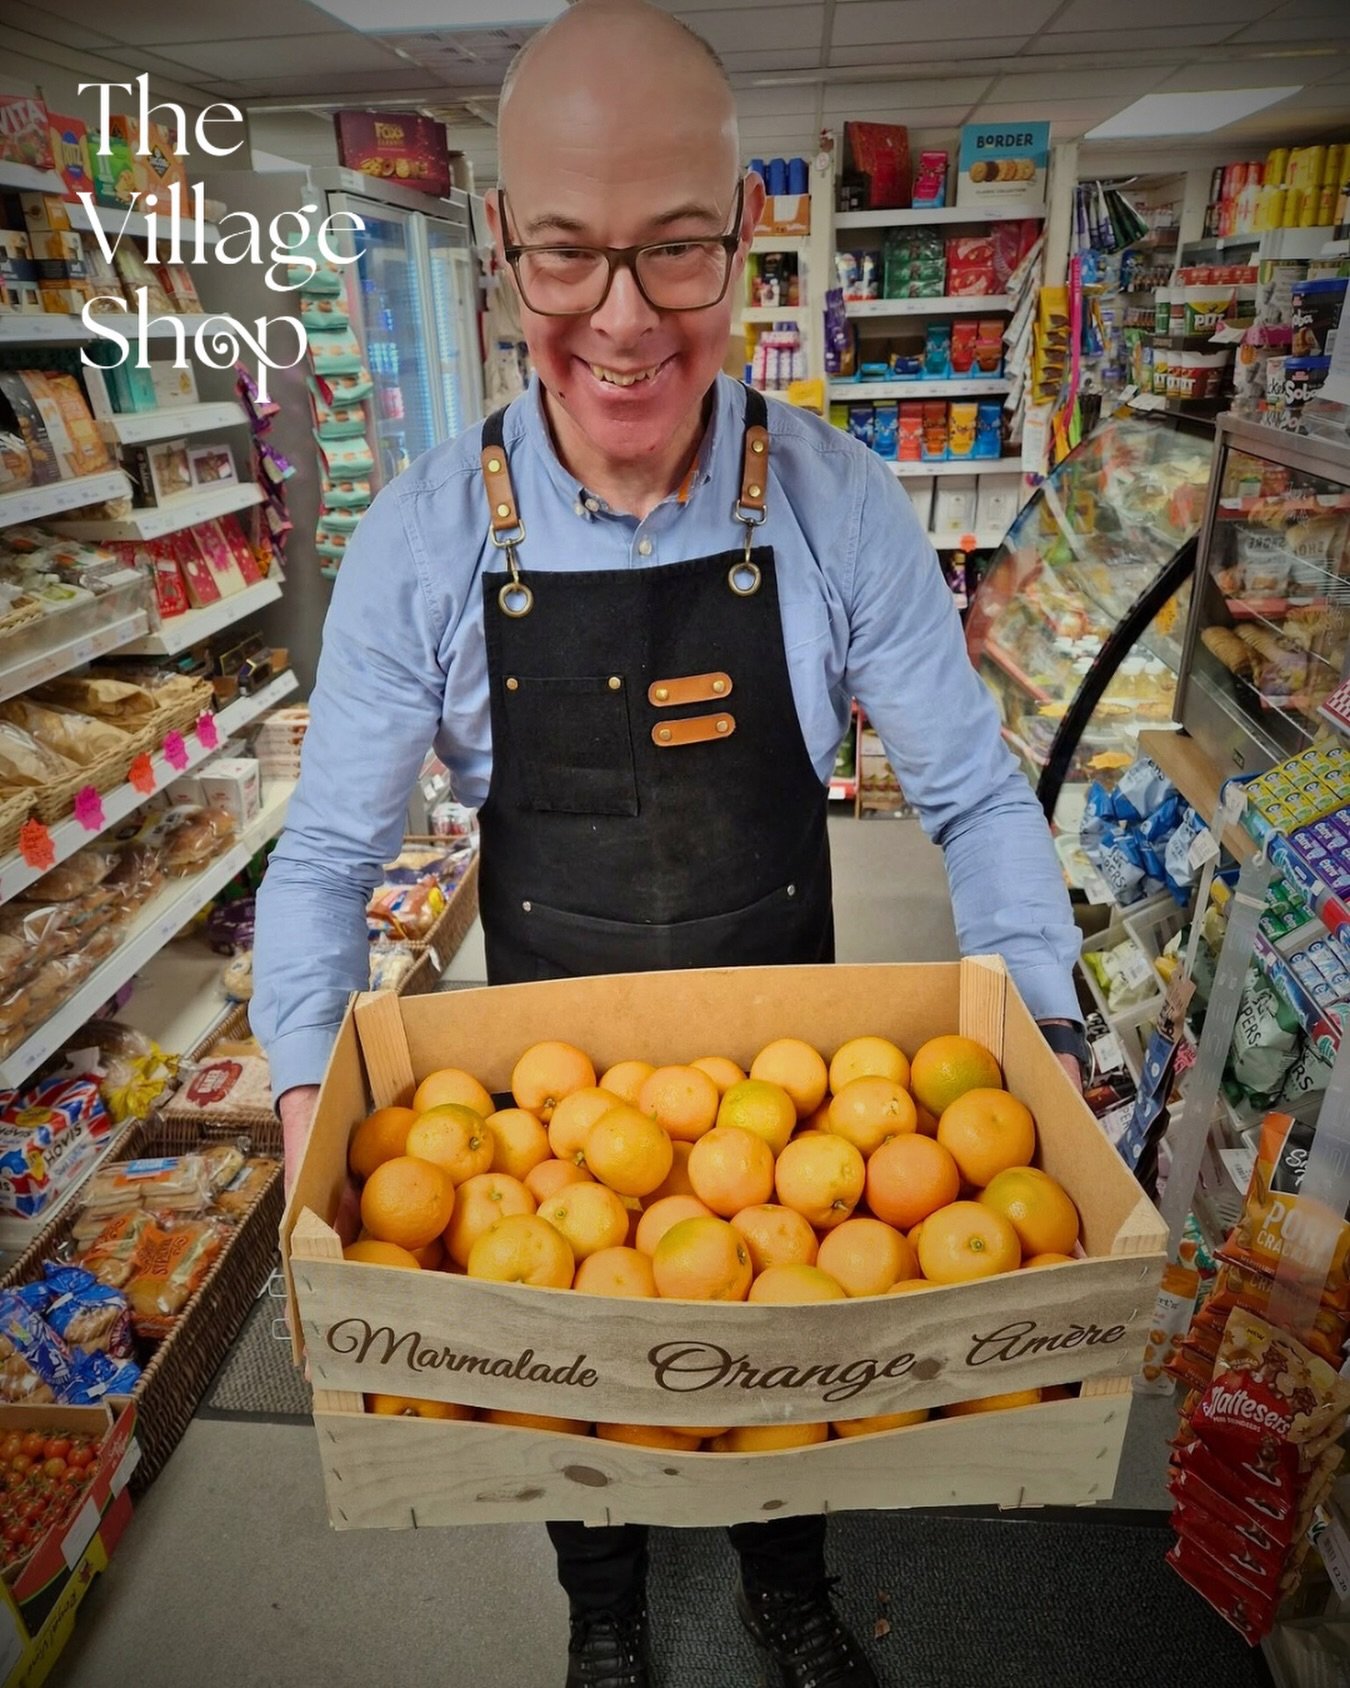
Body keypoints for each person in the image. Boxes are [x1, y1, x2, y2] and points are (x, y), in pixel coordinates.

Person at [253, 3, 1089, 1683]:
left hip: (805, 1090)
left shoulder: (836, 503)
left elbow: (981, 799)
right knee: (568, 1342)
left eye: (676, 254)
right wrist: (302, 1102)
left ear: (748, 239)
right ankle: (606, 1605)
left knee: (793, 1347)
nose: (622, 323)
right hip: (546, 1093)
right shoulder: (423, 534)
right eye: (565, 257)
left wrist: (1048, 1037)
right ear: (500, 250)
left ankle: (787, 1581)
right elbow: (329, 860)